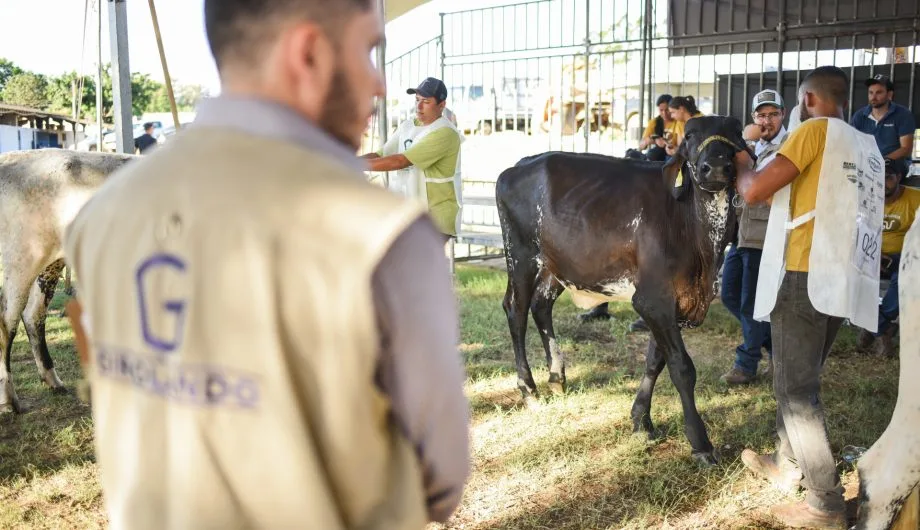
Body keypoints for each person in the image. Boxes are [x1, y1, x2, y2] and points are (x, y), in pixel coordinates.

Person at [63, 1, 471, 528]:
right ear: (308, 53)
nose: (379, 85)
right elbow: (439, 479)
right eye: (369, 51)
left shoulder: (103, 215)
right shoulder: (380, 239)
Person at [735, 66, 886, 529]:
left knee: (795, 390)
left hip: (803, 274)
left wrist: (744, 161)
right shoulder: (866, 145)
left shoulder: (812, 131)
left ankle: (825, 503)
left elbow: (756, 191)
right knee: (803, 375)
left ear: (808, 99)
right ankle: (787, 464)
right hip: (841, 277)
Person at [719, 89, 787, 385]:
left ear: (783, 115)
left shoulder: (788, 145)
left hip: (766, 233)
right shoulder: (749, 145)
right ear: (753, 117)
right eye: (761, 114)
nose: (767, 120)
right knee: (729, 295)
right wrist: (745, 142)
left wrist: (747, 146)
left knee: (751, 303)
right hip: (742, 232)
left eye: (773, 114)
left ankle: (746, 364)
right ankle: (775, 347)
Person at [362, 77, 463, 240]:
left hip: (435, 217)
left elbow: (400, 161)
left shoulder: (445, 132)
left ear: (442, 105)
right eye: (417, 100)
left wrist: (353, 164)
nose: (419, 106)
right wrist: (347, 159)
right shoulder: (408, 125)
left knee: (416, 264)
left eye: (426, 101)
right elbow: (381, 155)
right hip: (411, 213)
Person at [857, 157, 920, 357]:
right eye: (878, 178)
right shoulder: (866, 199)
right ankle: (882, 328)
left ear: (899, 177)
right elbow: (855, 231)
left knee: (907, 277)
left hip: (906, 257)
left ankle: (876, 326)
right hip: (870, 255)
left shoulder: (915, 198)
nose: (883, 183)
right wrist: (873, 253)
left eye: (889, 177)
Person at [850, 74, 916, 162]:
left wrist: (880, 162)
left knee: (888, 173)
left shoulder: (903, 115)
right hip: (866, 163)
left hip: (893, 162)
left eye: (879, 92)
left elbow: (906, 149)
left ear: (889, 95)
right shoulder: (859, 116)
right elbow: (851, 143)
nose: (873, 97)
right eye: (871, 92)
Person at [637, 94, 678, 161]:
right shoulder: (654, 122)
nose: (664, 113)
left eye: (667, 110)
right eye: (661, 110)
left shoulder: (679, 121)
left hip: (674, 154)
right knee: (652, 155)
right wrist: (653, 140)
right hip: (659, 154)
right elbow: (641, 145)